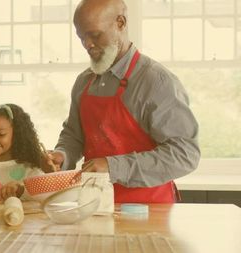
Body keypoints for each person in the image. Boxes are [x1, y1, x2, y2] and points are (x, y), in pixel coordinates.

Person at [42, 0, 200, 203]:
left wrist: (113, 166)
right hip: (96, 207)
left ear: (121, 23)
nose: (87, 44)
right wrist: (62, 155)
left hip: (149, 211)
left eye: (95, 35)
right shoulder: (84, 81)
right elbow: (74, 135)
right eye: (82, 37)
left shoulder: (156, 82)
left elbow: (185, 154)